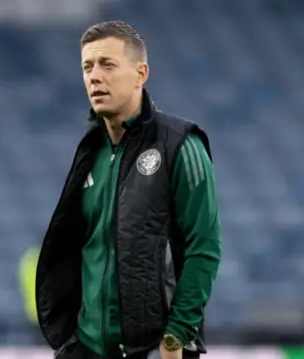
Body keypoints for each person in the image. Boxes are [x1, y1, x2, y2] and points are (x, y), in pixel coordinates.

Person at [35, 20, 222, 359]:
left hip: (155, 350)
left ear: (141, 73)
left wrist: (175, 339)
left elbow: (204, 248)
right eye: (87, 67)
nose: (94, 76)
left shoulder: (180, 145)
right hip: (87, 347)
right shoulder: (89, 152)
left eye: (108, 64)